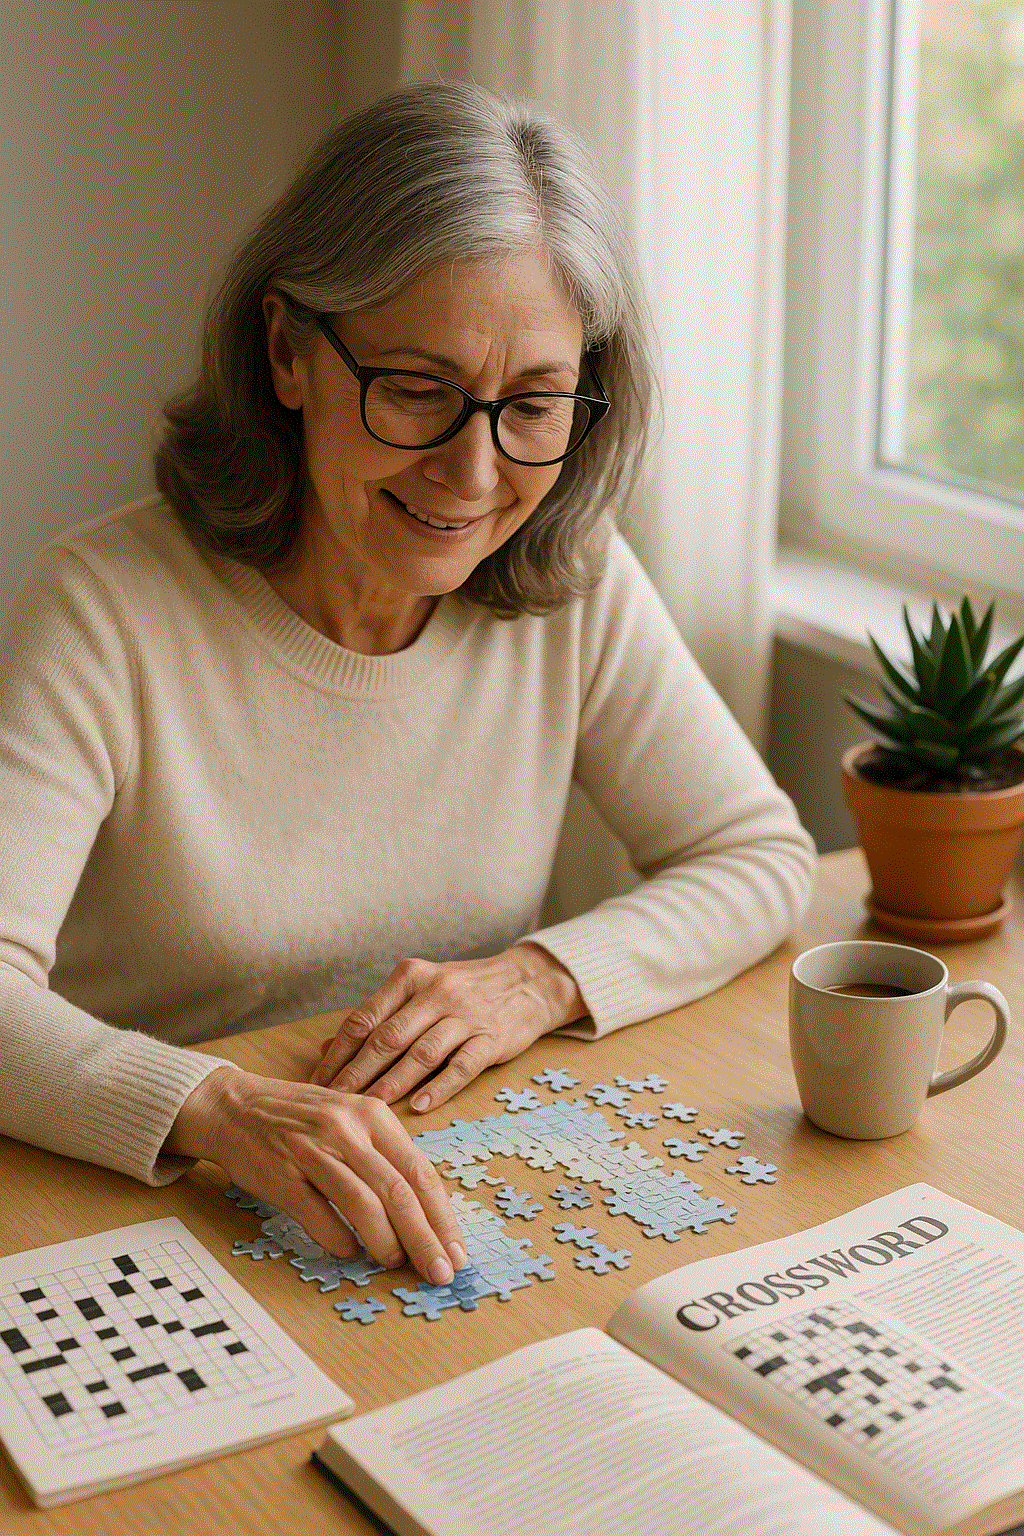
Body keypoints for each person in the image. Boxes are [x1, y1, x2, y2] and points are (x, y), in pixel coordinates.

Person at [0, 81, 815, 1288]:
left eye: (534, 403)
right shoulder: (102, 606)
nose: (473, 473)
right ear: (286, 351)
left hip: (446, 1208)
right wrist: (222, 1107)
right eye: (420, 390)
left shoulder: (571, 586)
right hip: (149, 1204)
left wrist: (535, 980)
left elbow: (760, 856)